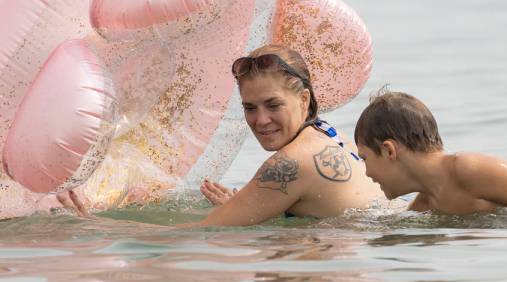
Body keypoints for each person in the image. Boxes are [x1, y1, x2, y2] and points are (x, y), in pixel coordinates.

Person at [58, 44, 384, 226]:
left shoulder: (288, 164)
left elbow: (201, 233)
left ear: (304, 99)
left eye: (273, 105)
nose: (261, 120)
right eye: (250, 108)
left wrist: (95, 225)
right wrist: (249, 205)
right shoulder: (331, 134)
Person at [353, 90, 507, 214]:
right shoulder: (425, 204)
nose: (367, 173)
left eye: (365, 158)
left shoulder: (469, 169)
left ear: (388, 150)